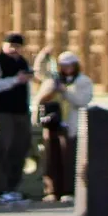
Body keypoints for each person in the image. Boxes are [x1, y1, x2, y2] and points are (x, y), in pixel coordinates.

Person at [0, 33, 35, 204]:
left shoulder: (22, 62)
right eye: (11, 46)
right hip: (0, 112)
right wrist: (14, 80)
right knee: (0, 151)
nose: (14, 49)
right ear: (3, 45)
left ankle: (13, 188)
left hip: (21, 112)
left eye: (18, 46)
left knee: (19, 151)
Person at [38, 53, 94, 201]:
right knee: (51, 159)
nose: (67, 69)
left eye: (70, 65)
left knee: (69, 159)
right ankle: (51, 190)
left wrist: (65, 91)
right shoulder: (52, 81)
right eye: (63, 66)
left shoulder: (83, 81)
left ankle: (68, 190)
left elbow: (82, 100)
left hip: (71, 125)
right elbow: (40, 87)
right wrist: (42, 56)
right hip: (52, 123)